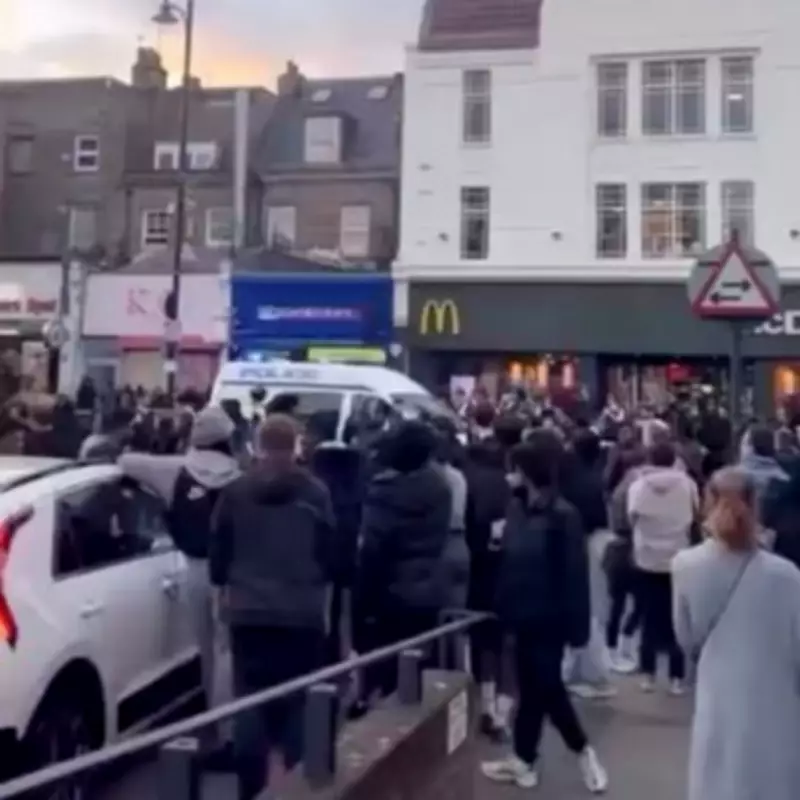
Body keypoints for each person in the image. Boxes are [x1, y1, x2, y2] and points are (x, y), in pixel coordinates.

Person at [210, 414, 338, 800]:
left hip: (248, 609)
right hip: (302, 610)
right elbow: (330, 554)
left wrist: (226, 589)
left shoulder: (234, 492)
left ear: (259, 445)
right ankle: (300, 785)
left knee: (249, 698)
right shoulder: (316, 493)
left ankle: (251, 789)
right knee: (300, 699)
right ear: (296, 445)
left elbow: (218, 556)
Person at [482, 430, 608, 794]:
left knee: (549, 689)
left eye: (513, 470)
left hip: (549, 618)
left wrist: (577, 628)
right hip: (519, 615)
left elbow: (574, 575)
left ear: (525, 471)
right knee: (533, 693)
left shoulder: (562, 516)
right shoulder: (517, 509)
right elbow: (509, 559)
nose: (510, 477)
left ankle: (583, 750)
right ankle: (524, 760)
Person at [672, 467, 800, 800]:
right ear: (755, 505)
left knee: (717, 777)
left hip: (718, 692)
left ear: (706, 502)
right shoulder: (787, 575)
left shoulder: (685, 565)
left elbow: (685, 638)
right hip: (777, 699)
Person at [118, 407, 241, 754]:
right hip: (231, 573)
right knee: (226, 650)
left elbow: (126, 462)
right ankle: (229, 729)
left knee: (205, 651)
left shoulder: (174, 471)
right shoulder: (240, 476)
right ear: (227, 439)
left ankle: (212, 721)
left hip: (193, 569)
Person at [354, 420, 452, 698]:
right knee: (417, 671)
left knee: (383, 672)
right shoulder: (441, 489)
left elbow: (373, 550)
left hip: (389, 593)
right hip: (428, 589)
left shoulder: (384, 492)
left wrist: (363, 601)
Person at [627, 441, 697, 694]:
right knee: (677, 617)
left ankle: (648, 673)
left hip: (646, 556)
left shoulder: (637, 486)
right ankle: (677, 676)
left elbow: (631, 518)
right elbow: (695, 514)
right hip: (679, 556)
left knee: (647, 615)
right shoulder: (687, 485)